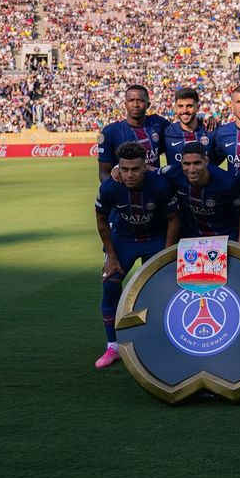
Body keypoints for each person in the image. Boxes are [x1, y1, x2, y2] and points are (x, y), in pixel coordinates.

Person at [94, 141, 179, 368]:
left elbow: (173, 219)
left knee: (165, 285)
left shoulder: (160, 185)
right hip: (125, 238)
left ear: (145, 167)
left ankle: (164, 340)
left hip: (155, 237)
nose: (129, 174)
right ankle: (113, 346)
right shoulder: (110, 187)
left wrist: (167, 252)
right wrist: (111, 256)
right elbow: (101, 220)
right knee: (110, 283)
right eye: (124, 169)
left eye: (135, 169)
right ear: (118, 169)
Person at [163, 142, 240, 241]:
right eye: (186, 164)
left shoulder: (227, 183)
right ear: (181, 163)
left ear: (206, 161)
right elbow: (152, 173)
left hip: (225, 236)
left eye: (197, 163)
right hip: (191, 236)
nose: (192, 169)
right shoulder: (173, 174)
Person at [97, 84, 169, 181]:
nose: (135, 104)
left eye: (140, 100)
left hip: (155, 192)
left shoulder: (159, 124)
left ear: (148, 105)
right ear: (125, 104)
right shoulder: (111, 132)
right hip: (126, 193)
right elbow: (103, 173)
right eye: (131, 100)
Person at [163, 87, 214, 171]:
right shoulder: (167, 132)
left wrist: (205, 115)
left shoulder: (211, 130)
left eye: (189, 106)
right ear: (175, 107)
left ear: (197, 107)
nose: (184, 110)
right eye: (180, 106)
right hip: (176, 184)